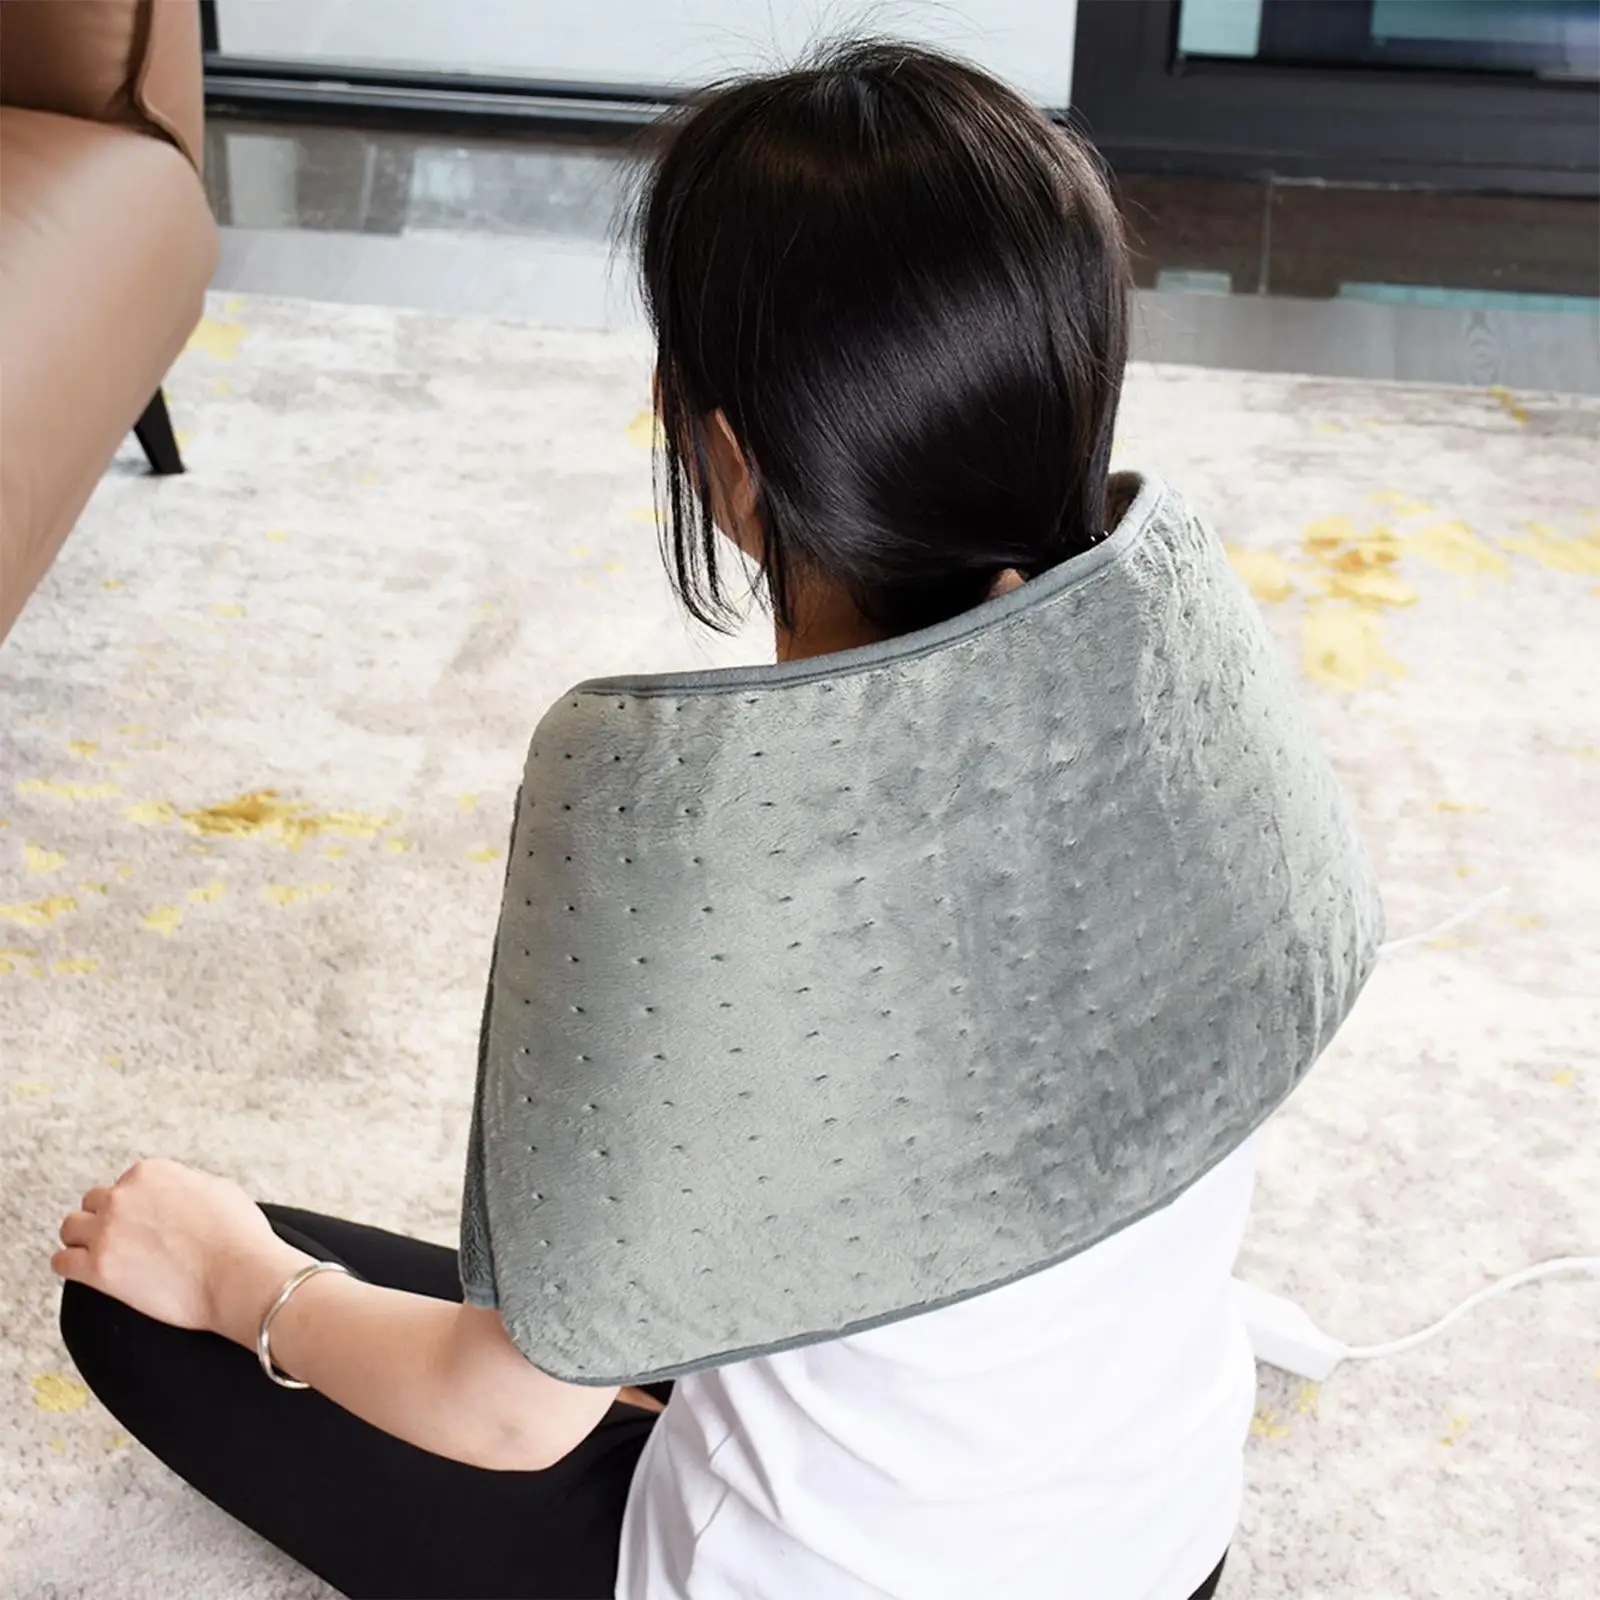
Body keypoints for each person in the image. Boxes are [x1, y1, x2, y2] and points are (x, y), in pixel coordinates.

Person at [54, 40, 1249, 1600]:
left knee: (138, 1298)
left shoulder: (706, 872)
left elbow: (508, 1415)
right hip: (1165, 1553)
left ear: (732, 459)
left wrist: (243, 1282)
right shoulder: (1185, 694)